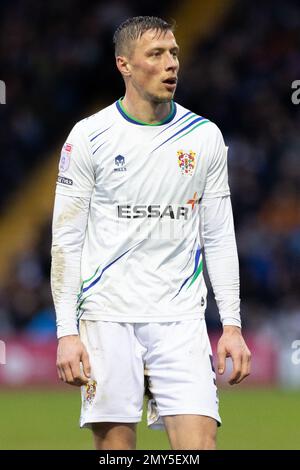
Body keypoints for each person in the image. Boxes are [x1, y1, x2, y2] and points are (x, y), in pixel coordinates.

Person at [51, 15, 251, 450]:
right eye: (156, 55)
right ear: (124, 64)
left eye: (174, 53)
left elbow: (217, 235)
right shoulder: (89, 137)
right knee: (117, 452)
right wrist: (67, 332)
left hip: (179, 318)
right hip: (107, 316)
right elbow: (65, 240)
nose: (170, 64)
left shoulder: (204, 137)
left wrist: (232, 325)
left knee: (199, 447)